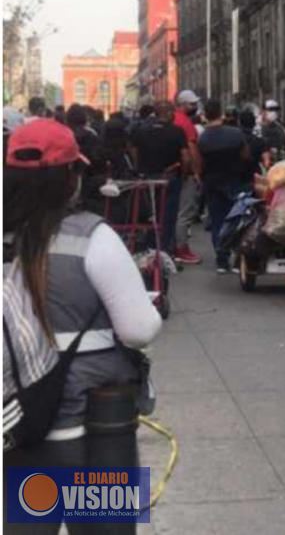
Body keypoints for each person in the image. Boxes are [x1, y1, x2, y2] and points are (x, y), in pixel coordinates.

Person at [3, 119, 163, 503]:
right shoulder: (93, 236)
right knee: (102, 525)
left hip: (16, 421)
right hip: (94, 426)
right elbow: (139, 329)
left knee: (27, 523)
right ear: (70, 176)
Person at [130, 100, 191, 257]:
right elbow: (185, 157)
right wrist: (183, 175)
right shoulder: (177, 131)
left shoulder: (141, 131)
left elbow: (133, 151)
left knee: (150, 215)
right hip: (170, 178)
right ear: (170, 113)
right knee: (168, 217)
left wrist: (139, 168)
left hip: (147, 178)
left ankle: (149, 248)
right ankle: (163, 252)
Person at [198, 100, 252, 274]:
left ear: (206, 115)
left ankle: (222, 259)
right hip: (235, 180)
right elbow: (246, 155)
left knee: (218, 221)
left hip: (213, 182)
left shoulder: (203, 138)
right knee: (237, 219)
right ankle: (238, 258)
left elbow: (199, 163)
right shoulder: (235, 133)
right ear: (220, 113)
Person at [172, 90, 204, 264]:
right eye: (192, 104)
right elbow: (191, 149)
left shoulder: (173, 119)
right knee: (185, 212)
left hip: (172, 172)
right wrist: (196, 172)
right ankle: (181, 248)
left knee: (173, 212)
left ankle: (173, 247)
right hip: (186, 173)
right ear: (183, 105)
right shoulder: (185, 122)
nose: (195, 107)